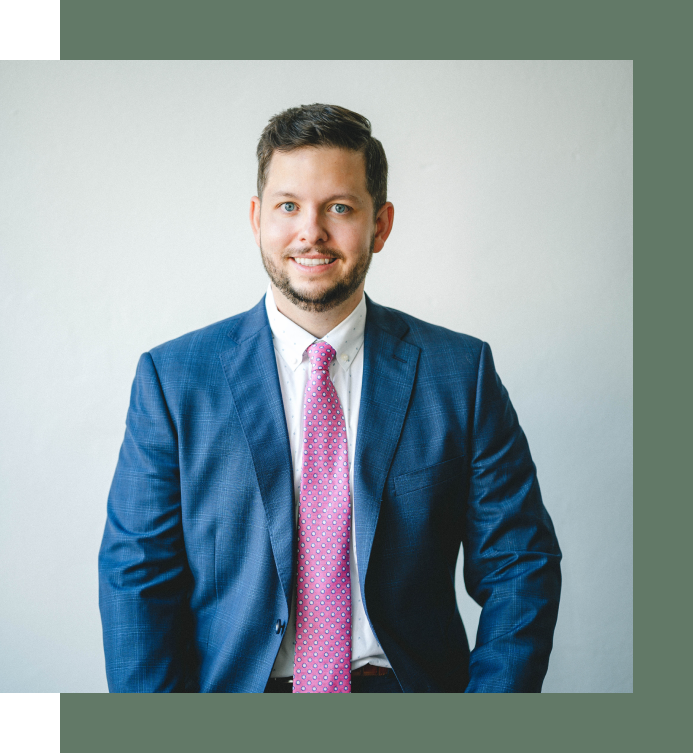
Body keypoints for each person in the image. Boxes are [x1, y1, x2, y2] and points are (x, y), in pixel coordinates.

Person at [98, 103, 562, 693]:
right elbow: (136, 580)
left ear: (381, 224)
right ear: (256, 218)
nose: (310, 232)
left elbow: (520, 565)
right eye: (288, 206)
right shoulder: (173, 380)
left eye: (339, 208)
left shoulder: (459, 373)